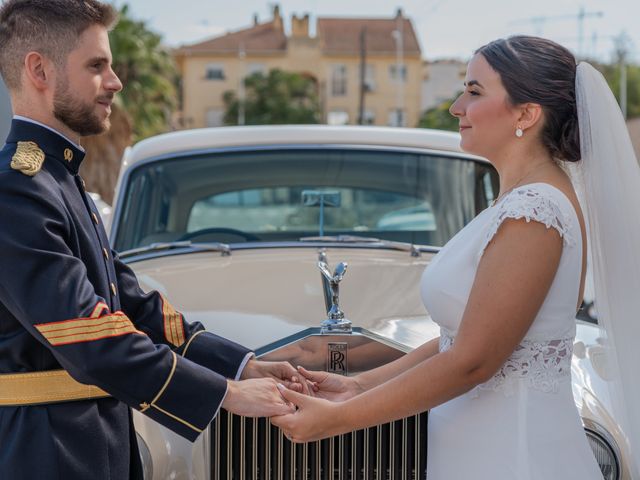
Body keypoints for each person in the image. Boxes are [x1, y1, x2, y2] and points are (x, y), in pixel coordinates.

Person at [273, 35, 640, 478]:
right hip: (479, 448)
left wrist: (337, 420)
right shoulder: (521, 201)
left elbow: (473, 360)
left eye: (474, 91)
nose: (456, 107)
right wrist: (357, 385)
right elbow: (460, 339)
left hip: (514, 455)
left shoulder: (535, 212)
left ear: (526, 113)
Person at [0, 1, 300, 478]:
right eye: (97, 66)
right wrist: (225, 393)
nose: (115, 81)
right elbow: (91, 336)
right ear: (39, 69)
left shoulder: (56, 179)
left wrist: (241, 366)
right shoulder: (18, 188)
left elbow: (135, 306)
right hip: (48, 453)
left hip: (94, 445)